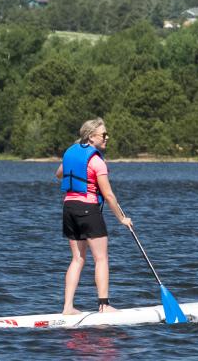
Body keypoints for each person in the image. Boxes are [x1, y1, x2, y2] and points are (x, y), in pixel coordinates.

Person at [59, 118, 133, 315]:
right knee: (101, 258)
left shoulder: (71, 152)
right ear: (91, 137)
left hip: (69, 208)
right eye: (104, 135)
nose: (107, 138)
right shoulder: (97, 161)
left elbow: (59, 174)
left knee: (77, 258)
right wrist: (122, 219)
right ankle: (104, 305)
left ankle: (67, 307)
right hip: (88, 209)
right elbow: (108, 195)